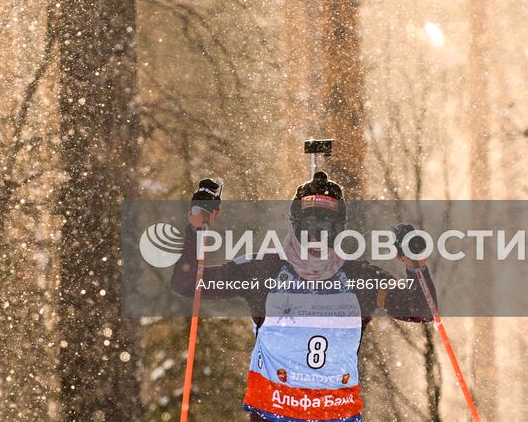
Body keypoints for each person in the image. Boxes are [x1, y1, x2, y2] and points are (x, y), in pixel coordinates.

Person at [171, 172, 435, 422]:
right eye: (309, 227)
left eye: (326, 228)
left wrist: (415, 266)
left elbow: (423, 310)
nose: (317, 238)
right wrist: (197, 227)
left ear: (339, 230)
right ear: (294, 226)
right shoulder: (263, 271)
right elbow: (188, 283)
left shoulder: (359, 278)